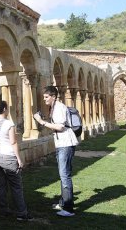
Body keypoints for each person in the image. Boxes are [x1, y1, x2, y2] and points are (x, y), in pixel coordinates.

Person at [33, 85, 79, 217]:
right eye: (44, 97)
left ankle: (68, 209)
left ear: (53, 96)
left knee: (65, 175)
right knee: (64, 174)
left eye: (46, 97)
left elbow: (60, 126)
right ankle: (64, 203)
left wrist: (41, 121)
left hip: (66, 144)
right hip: (62, 144)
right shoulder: (55, 107)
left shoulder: (59, 107)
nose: (44, 99)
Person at [0, 100, 33, 221]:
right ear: (4, 110)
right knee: (16, 186)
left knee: (0, 185)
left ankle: (4, 210)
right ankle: (21, 213)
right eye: (7, 108)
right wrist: (19, 159)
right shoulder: (9, 124)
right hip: (8, 157)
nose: (8, 110)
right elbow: (13, 142)